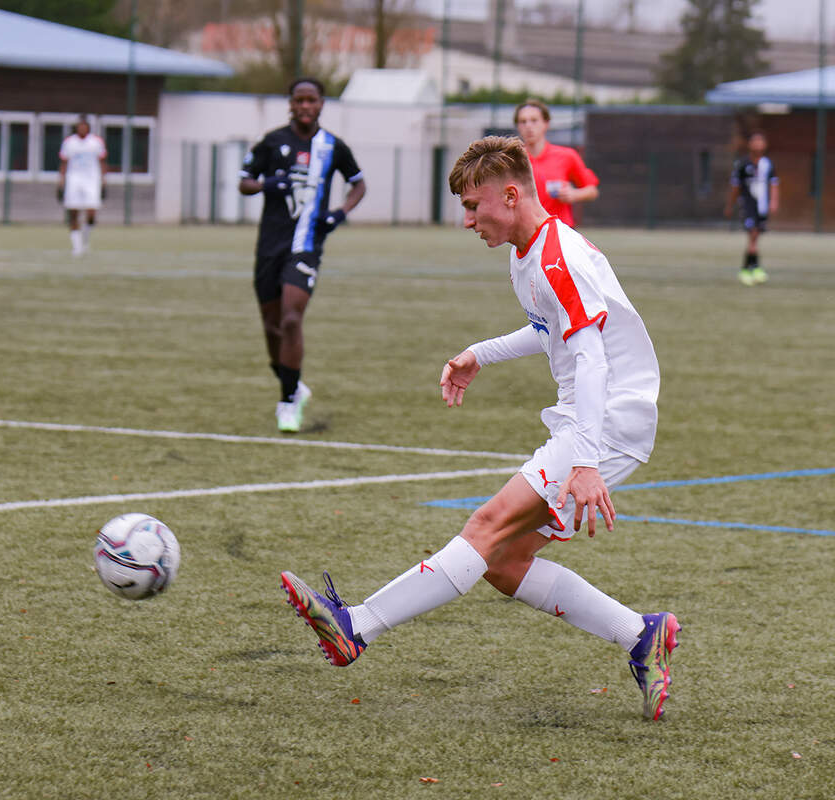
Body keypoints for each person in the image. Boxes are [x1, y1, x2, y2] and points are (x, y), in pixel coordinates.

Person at [280, 136, 680, 721]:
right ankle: (641, 635)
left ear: (511, 195)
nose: (468, 221)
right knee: (503, 561)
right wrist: (480, 354)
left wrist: (588, 460)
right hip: (596, 416)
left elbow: (591, 357)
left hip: (607, 418)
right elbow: (551, 329)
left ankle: (355, 628)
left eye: (474, 206)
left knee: (486, 525)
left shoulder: (554, 256)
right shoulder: (529, 251)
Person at [238, 78, 366, 432]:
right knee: (271, 326)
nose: (306, 106)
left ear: (322, 104)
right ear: (291, 104)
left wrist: (339, 213)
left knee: (292, 319)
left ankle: (286, 403)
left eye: (313, 100)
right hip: (269, 246)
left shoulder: (333, 146)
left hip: (306, 245)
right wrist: (266, 184)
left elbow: (359, 183)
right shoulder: (273, 141)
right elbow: (244, 181)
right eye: (300, 100)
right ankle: (294, 385)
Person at [514, 98, 598, 228]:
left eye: (534, 120)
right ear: (518, 126)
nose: (528, 126)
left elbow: (592, 190)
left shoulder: (567, 156)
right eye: (523, 122)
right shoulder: (513, 160)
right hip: (526, 233)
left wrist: (574, 194)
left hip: (561, 232)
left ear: (546, 123)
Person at [724, 131, 778, 286]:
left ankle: (750, 268)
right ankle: (752, 269)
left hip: (762, 206)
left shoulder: (767, 164)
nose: (758, 144)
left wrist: (773, 201)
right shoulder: (742, 164)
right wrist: (730, 205)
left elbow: (774, 184)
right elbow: (735, 188)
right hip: (748, 205)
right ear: (750, 144)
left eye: (761, 141)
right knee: (753, 235)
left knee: (755, 237)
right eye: (755, 141)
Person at [57, 116, 107, 257]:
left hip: (92, 180)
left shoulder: (96, 142)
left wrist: (104, 180)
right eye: (80, 126)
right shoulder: (69, 142)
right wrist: (61, 181)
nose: (82, 129)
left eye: (84, 126)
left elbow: (102, 161)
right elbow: (64, 162)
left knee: (91, 213)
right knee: (73, 213)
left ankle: (85, 239)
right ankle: (77, 247)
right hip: (74, 180)